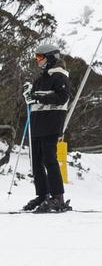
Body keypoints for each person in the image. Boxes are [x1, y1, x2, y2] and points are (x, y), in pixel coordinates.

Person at [22, 42, 71, 212]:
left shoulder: (60, 77)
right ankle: (43, 194)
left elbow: (62, 97)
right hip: (37, 123)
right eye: (36, 57)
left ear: (51, 58)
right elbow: (35, 99)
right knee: (36, 162)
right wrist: (29, 95)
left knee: (50, 159)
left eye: (40, 57)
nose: (37, 60)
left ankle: (58, 197)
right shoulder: (40, 79)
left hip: (51, 122)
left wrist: (37, 98)